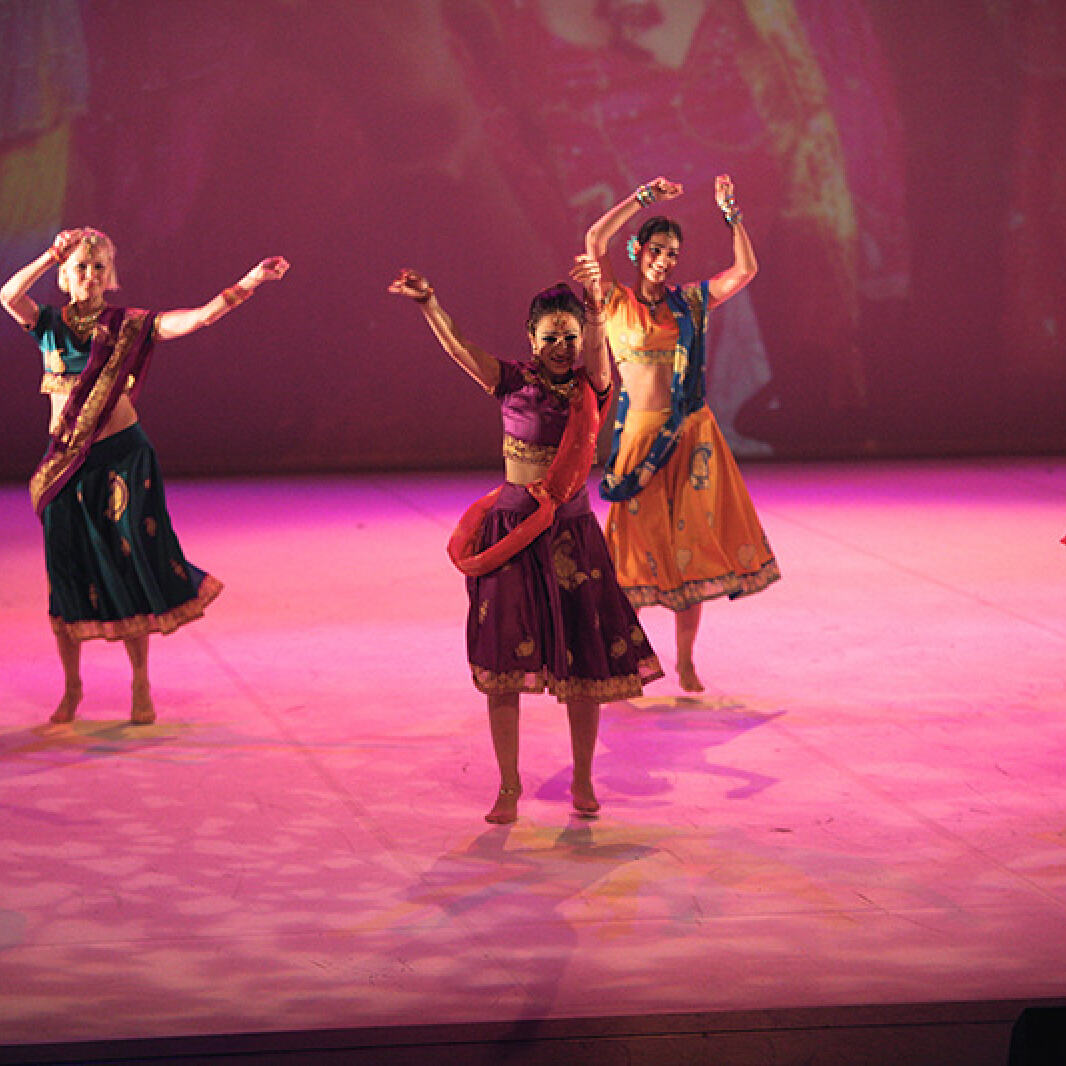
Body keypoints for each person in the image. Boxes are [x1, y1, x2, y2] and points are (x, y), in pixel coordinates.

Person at [389, 260, 663, 824]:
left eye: (570, 337)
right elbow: (460, 349)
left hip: (572, 539)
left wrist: (595, 305)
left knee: (584, 667)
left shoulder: (591, 388)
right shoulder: (512, 382)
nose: (562, 347)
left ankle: (582, 779)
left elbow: (600, 355)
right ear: (531, 338)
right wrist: (429, 304)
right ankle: (509, 785)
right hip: (513, 534)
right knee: (503, 666)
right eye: (551, 338)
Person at [1, 227, 289, 725]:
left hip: (123, 459)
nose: (90, 276)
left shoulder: (130, 326)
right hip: (67, 463)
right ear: (65, 276)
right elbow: (8, 295)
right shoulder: (46, 324)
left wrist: (251, 281)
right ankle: (72, 687)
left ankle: (140, 681)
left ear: (108, 275)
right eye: (80, 267)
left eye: (98, 268)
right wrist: (50, 254)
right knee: (66, 572)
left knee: (128, 561)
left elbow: (199, 317)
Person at [586, 175, 780, 693]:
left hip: (690, 439)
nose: (663, 260)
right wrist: (641, 198)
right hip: (638, 441)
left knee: (688, 550)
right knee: (630, 557)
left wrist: (731, 215)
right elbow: (595, 240)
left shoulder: (689, 302)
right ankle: (624, 657)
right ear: (638, 251)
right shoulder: (615, 301)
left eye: (672, 253)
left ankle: (686, 661)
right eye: (655, 250)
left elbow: (745, 271)